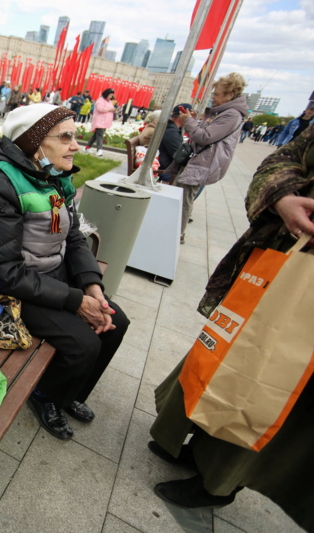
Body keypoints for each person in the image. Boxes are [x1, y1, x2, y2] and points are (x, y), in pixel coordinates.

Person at [149, 124, 314, 531]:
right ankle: (191, 441)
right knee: (224, 354)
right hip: (279, 258)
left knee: (274, 386)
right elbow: (283, 159)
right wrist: (282, 196)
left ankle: (219, 482)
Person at [0, 104, 130, 440]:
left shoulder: (52, 175)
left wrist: (91, 286)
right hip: (1, 287)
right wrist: (75, 301)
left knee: (116, 323)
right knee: (83, 344)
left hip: (42, 273)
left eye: (75, 136)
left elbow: (74, 237)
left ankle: (71, 392)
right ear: (35, 142)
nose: (76, 146)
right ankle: (44, 395)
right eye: (65, 137)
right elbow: (4, 271)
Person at [170, 72, 248, 245]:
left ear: (230, 95)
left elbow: (204, 137)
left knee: (183, 199)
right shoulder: (225, 112)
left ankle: (176, 235)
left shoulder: (231, 114)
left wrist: (189, 122)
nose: (213, 97)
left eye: (217, 94)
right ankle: (172, 231)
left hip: (203, 164)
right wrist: (193, 121)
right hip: (199, 161)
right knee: (180, 195)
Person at [155, 104, 190, 183]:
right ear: (182, 115)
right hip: (164, 171)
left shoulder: (171, 128)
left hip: (165, 168)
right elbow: (179, 156)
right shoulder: (171, 131)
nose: (190, 119)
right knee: (197, 181)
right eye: (189, 116)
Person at [87, 88, 116, 157]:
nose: (111, 97)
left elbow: (111, 108)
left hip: (105, 122)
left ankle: (87, 147)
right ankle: (99, 150)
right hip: (100, 121)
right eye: (110, 95)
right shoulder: (100, 100)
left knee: (95, 136)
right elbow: (100, 109)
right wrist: (110, 109)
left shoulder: (109, 101)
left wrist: (113, 110)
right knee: (100, 135)